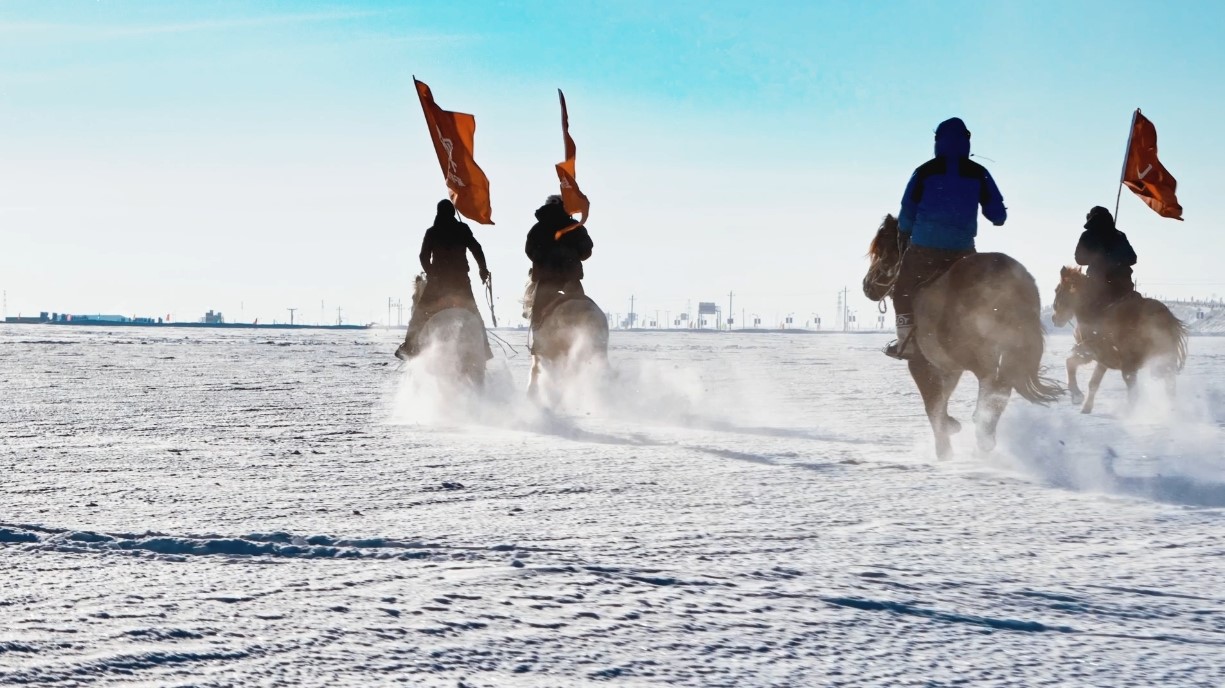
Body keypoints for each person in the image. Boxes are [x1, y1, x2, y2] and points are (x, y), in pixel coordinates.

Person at [886, 117, 1008, 359]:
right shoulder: (979, 173)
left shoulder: (924, 172)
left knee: (902, 289)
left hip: (924, 250)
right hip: (963, 252)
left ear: (938, 141)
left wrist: (905, 232)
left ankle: (906, 342)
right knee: (983, 293)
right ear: (967, 141)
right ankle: (992, 337)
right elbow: (998, 215)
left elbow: (907, 212)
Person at [395, 199, 492, 360]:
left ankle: (409, 346)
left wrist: (431, 274)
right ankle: (485, 349)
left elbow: (423, 256)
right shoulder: (462, 229)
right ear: (453, 213)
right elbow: (477, 249)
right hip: (461, 282)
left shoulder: (432, 232)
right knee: (474, 312)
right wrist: (483, 269)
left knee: (420, 313)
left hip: (438, 283)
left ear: (438, 213)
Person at [524, 195, 593, 332]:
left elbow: (529, 251)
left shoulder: (537, 229)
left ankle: (537, 339)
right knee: (583, 310)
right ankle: (585, 333)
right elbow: (586, 252)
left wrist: (542, 261)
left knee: (538, 314)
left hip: (546, 279)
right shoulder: (576, 227)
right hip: (571, 278)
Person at [1073, 205, 1137, 343]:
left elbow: (1079, 259)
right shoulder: (1118, 235)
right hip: (1122, 284)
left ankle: (1088, 342)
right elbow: (1132, 258)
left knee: (1083, 308)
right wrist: (1110, 258)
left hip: (1101, 285)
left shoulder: (1089, 236)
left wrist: (1103, 259)